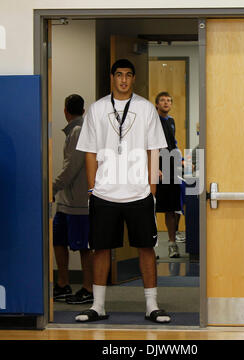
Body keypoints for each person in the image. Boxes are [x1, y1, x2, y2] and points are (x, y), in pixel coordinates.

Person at [75, 59, 171, 323]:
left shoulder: (146, 108)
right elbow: (90, 152)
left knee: (146, 248)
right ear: (112, 78)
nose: (124, 80)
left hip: (139, 192)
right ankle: (98, 305)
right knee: (101, 249)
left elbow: (154, 150)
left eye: (129, 75)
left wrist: (151, 190)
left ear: (133, 79)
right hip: (105, 193)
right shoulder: (97, 109)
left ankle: (152, 305)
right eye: (119, 75)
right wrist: (93, 187)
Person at [52, 94, 94, 305]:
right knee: (58, 241)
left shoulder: (79, 131)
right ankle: (62, 284)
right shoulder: (76, 130)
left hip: (78, 203)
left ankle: (88, 288)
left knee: (85, 247)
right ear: (83, 111)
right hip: (65, 202)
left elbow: (71, 167)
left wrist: (52, 185)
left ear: (65, 111)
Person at [155, 92, 182, 258]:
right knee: (151, 208)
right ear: (156, 104)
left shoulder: (171, 121)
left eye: (169, 101)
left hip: (171, 168)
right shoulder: (152, 121)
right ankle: (151, 247)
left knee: (172, 209)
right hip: (156, 170)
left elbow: (173, 143)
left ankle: (172, 244)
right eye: (163, 100)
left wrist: (181, 160)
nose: (166, 103)